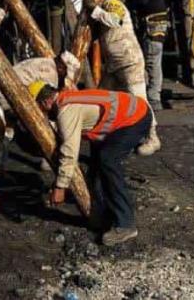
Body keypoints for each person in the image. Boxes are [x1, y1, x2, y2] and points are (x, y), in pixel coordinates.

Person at [30, 80, 152, 247]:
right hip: (130, 113)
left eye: (39, 109)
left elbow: (70, 151)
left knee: (108, 160)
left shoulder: (67, 110)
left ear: (45, 102)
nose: (41, 114)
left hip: (135, 118)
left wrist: (60, 186)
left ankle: (125, 225)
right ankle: (103, 213)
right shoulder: (67, 98)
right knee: (96, 166)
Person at [83, 0, 161, 155]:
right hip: (113, 65)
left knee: (139, 99)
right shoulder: (102, 11)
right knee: (102, 97)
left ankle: (153, 138)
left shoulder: (112, 4)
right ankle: (106, 134)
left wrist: (94, 9)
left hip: (129, 61)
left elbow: (114, 20)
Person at [115, 0, 168, 111]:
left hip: (153, 25)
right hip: (153, 25)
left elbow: (141, 1)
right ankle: (149, 96)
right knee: (149, 60)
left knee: (152, 61)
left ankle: (154, 98)